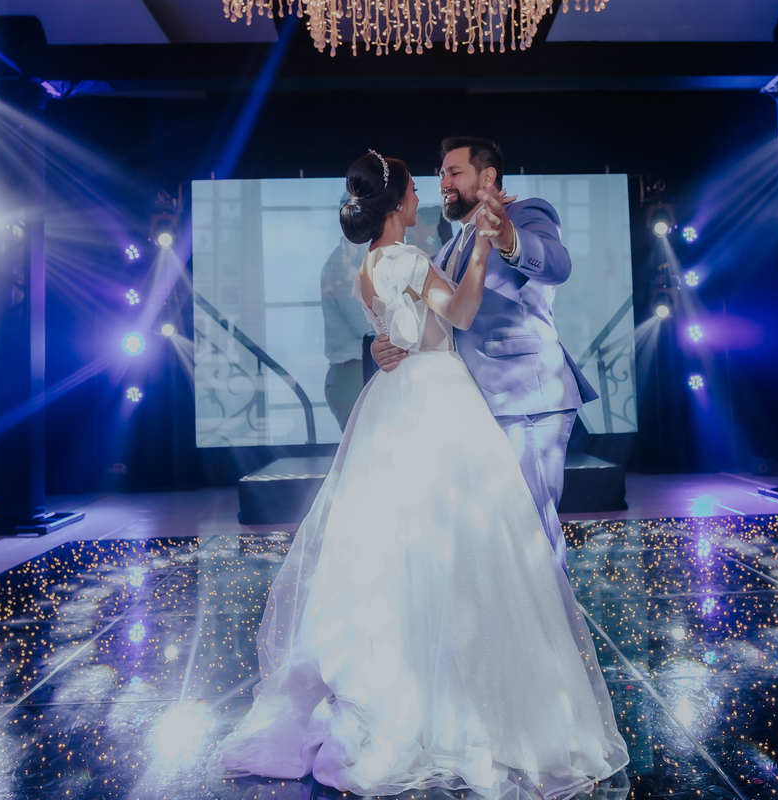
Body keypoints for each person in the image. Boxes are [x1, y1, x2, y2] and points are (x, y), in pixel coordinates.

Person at [209, 150, 628, 800]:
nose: (431, 190)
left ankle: (420, 680)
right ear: (399, 200)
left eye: (448, 174)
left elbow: (410, 325)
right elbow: (457, 316)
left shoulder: (369, 266)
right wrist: (482, 249)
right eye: (418, 186)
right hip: (437, 395)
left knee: (405, 547)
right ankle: (474, 690)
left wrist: (395, 336)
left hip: (398, 399)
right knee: (472, 545)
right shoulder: (408, 256)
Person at [371, 137, 597, 577]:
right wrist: (384, 343)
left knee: (532, 527)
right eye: (441, 174)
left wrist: (509, 238)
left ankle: (554, 622)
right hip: (475, 410)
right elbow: (437, 319)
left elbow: (558, 265)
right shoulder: (449, 249)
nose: (444, 182)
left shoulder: (525, 214)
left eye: (454, 172)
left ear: (488, 176)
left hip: (525, 399)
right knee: (496, 534)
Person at [319, 218, 372, 430]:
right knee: (363, 445)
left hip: (351, 373)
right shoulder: (342, 267)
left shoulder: (346, 263)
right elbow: (364, 327)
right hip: (352, 373)